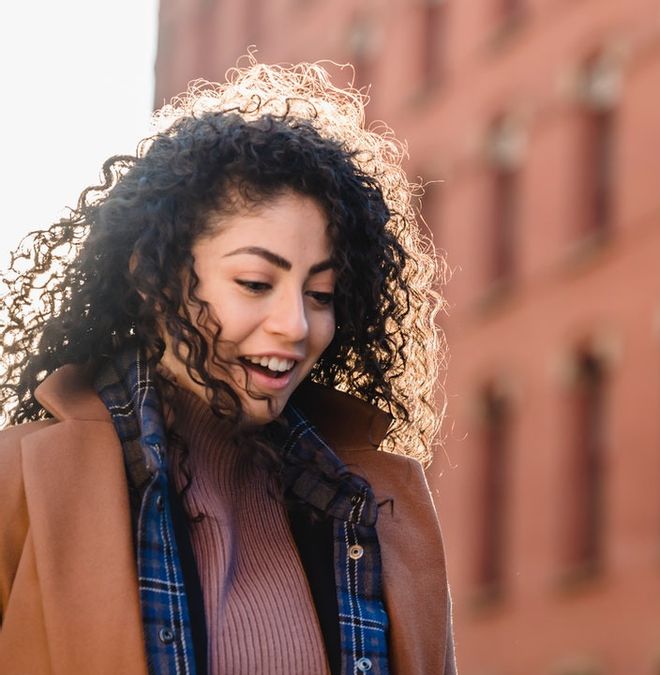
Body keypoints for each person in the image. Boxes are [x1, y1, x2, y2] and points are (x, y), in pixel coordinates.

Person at [0, 61, 455, 674]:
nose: (295, 325)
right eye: (255, 282)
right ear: (152, 276)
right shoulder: (17, 485)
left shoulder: (378, 510)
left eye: (320, 294)